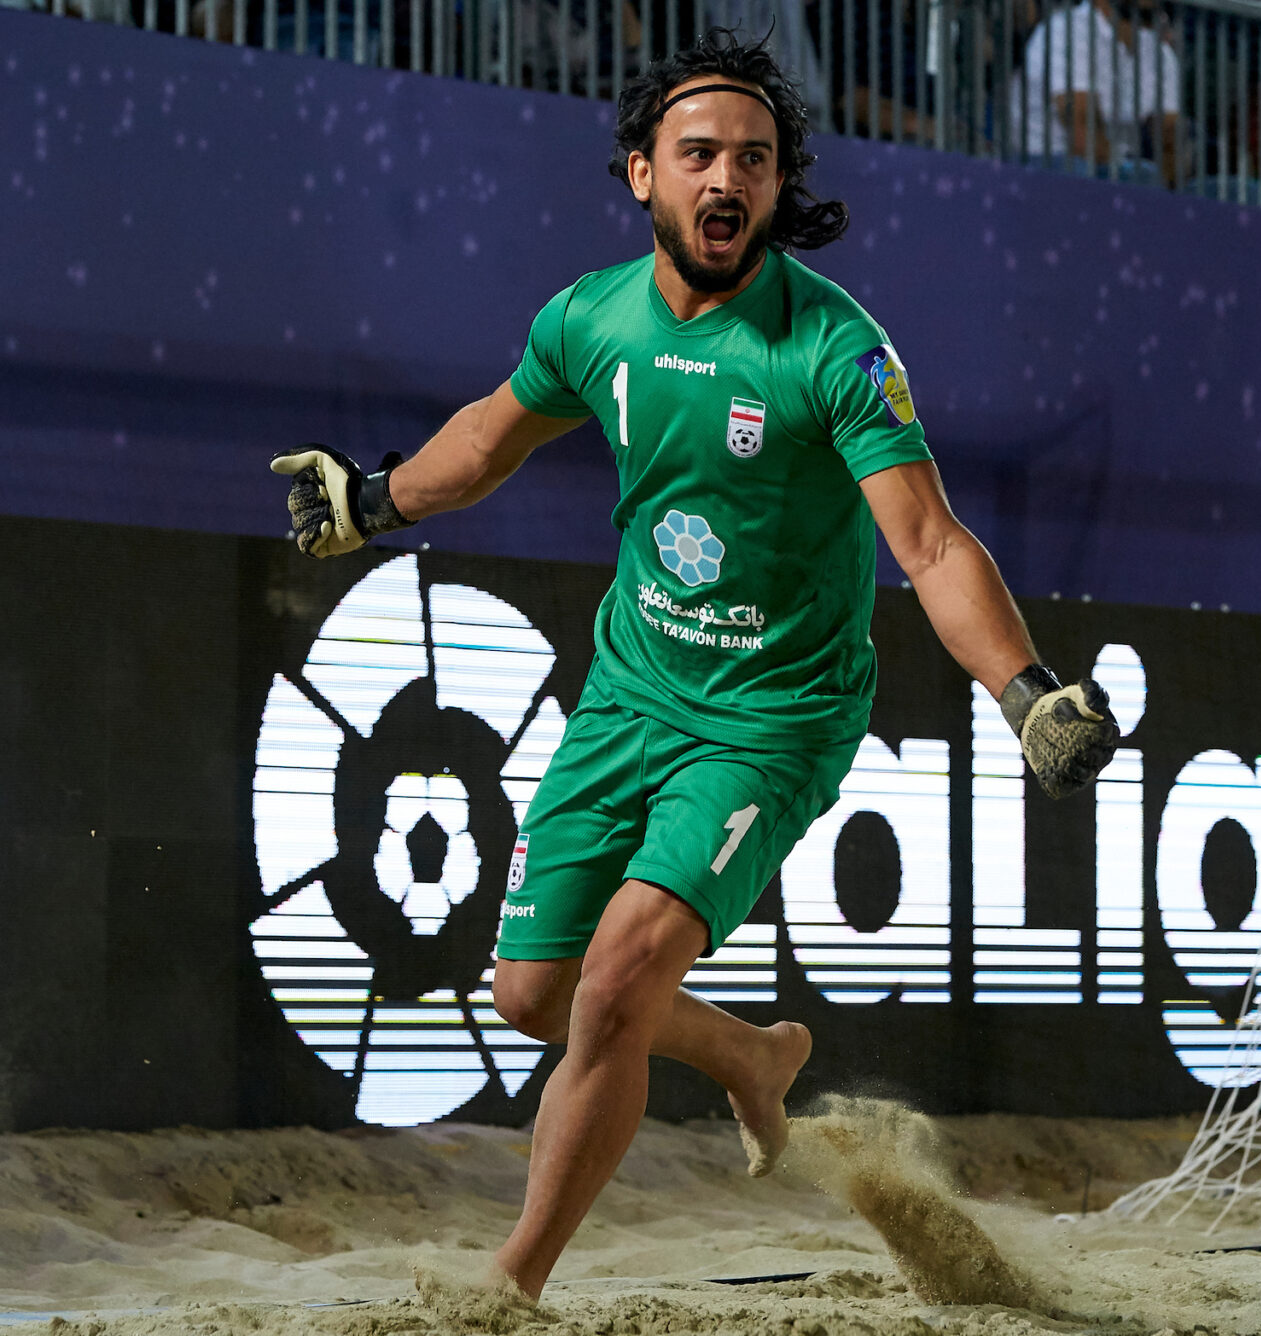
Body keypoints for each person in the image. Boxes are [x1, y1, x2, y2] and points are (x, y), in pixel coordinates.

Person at [268, 27, 1120, 1300]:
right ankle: (745, 1056)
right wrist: (373, 499)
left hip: (771, 720)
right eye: (700, 154)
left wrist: (1024, 692)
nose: (727, 180)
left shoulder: (834, 348)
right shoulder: (589, 320)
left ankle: (509, 1287)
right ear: (640, 175)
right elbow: (491, 439)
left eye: (755, 162)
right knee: (529, 993)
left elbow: (930, 543)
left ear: (779, 187)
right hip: (627, 693)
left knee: (614, 980)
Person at [1010, 0, 1182, 184]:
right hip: (1040, 161)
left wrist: (1165, 187)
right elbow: (1082, 134)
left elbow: (1172, 138)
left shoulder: (1160, 53)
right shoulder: (1065, 30)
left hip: (1115, 167)